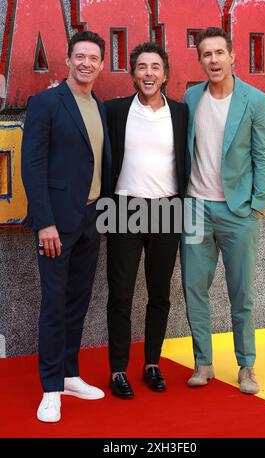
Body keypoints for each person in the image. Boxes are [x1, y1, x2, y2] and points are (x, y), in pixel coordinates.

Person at [21, 30, 111, 422]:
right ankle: (51, 387)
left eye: (94, 57)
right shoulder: (46, 103)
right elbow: (33, 166)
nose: (87, 63)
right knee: (54, 303)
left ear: (102, 64)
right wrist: (45, 224)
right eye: (80, 56)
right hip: (56, 224)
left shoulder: (100, 106)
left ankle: (71, 374)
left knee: (78, 299)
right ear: (68, 60)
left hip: (91, 219)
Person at [181, 27, 265, 394]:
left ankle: (246, 366)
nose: (214, 60)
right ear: (200, 60)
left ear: (233, 56)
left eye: (220, 53)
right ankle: (203, 363)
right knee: (194, 289)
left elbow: (264, 156)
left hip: (238, 212)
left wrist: (256, 205)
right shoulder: (190, 98)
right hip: (194, 209)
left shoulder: (256, 100)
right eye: (207, 54)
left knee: (242, 293)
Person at [104, 42, 188, 398]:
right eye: (142, 67)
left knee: (160, 293)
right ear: (133, 74)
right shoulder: (114, 111)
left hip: (168, 208)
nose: (149, 73)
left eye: (155, 67)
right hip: (123, 208)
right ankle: (118, 370)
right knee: (120, 295)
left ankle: (152, 363)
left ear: (165, 74)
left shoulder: (182, 113)